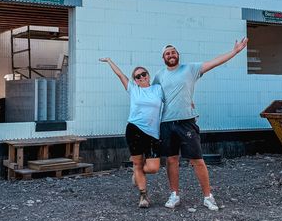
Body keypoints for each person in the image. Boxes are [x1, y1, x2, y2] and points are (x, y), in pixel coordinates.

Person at [153, 39, 248, 211]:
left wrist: (234, 52)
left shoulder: (190, 69)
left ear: (178, 55)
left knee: (197, 159)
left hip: (187, 122)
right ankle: (174, 195)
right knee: (171, 159)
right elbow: (151, 98)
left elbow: (214, 62)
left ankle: (208, 196)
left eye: (173, 52)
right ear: (163, 58)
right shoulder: (159, 76)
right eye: (167, 53)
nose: (171, 55)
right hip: (166, 123)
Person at [99, 57, 163, 208]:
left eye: (144, 74)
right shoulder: (134, 89)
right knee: (137, 162)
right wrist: (109, 61)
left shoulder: (158, 89)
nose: (142, 77)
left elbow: (171, 99)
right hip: (134, 129)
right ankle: (143, 196)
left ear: (148, 75)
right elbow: (120, 75)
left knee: (153, 168)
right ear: (135, 80)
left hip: (153, 133)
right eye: (138, 76)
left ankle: (137, 173)